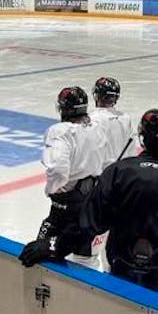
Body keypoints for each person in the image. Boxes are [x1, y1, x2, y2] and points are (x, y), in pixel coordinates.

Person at [19, 108, 158, 311]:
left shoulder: (119, 172)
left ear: (142, 138)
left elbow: (88, 224)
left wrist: (55, 245)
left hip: (124, 273)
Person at [33, 86, 106, 270]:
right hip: (91, 206)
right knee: (86, 262)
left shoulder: (60, 131)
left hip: (65, 209)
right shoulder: (96, 128)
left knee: (44, 258)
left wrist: (53, 190)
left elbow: (58, 169)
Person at [89, 77, 137, 171]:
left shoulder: (91, 119)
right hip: (123, 174)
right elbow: (131, 153)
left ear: (97, 96)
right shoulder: (125, 118)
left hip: (101, 176)